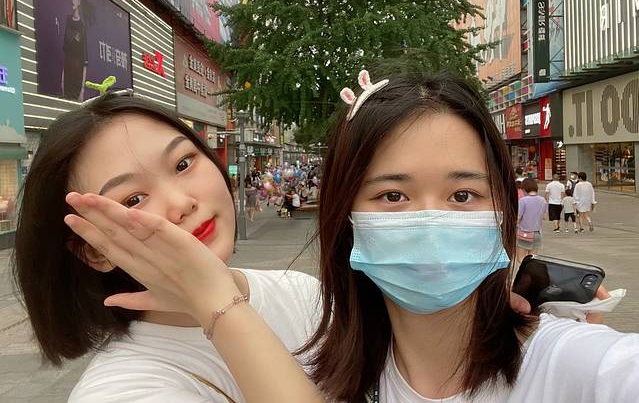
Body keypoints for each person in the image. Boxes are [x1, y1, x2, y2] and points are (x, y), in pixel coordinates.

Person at [300, 72, 638, 402]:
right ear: (344, 213)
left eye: (462, 195)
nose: (430, 227)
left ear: (503, 206)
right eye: (393, 196)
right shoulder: (309, 373)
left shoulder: (577, 365)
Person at [12, 94, 323, 403]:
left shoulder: (303, 292)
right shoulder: (117, 392)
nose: (181, 203)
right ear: (94, 251)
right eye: (133, 200)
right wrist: (218, 302)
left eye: (183, 164)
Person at [61, 0, 91, 101]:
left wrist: (82, 90)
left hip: (77, 78)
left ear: (79, 1)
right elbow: (65, 54)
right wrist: (62, 80)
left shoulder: (83, 28)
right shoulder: (67, 21)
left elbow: (85, 62)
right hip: (67, 76)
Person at [516, 178, 548, 262]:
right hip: (537, 233)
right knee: (532, 260)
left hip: (524, 233)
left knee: (521, 259)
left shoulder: (523, 201)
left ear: (524, 189)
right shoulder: (543, 200)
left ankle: (524, 271)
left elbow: (518, 217)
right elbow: (545, 217)